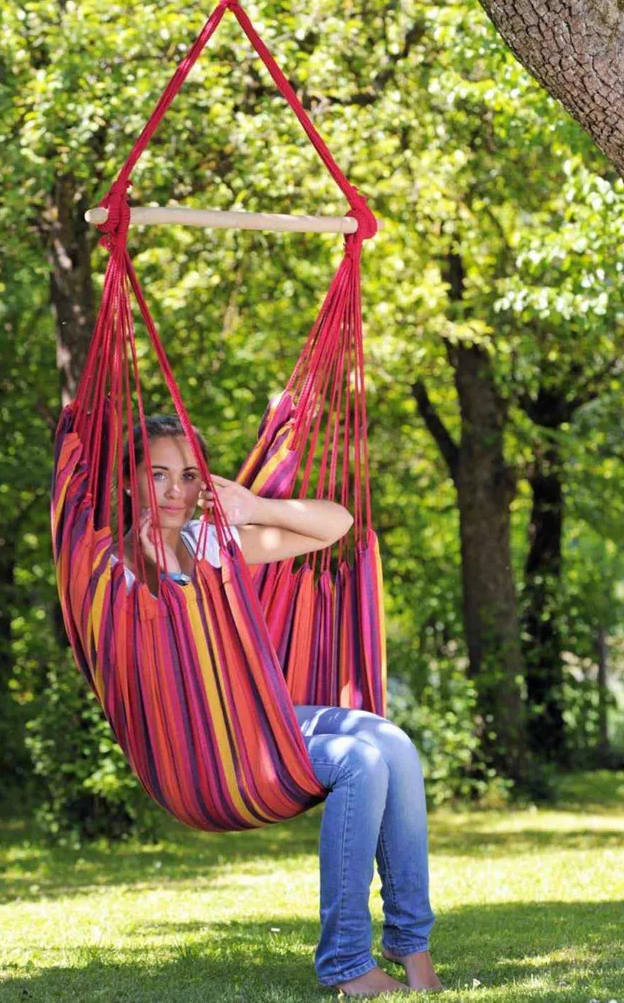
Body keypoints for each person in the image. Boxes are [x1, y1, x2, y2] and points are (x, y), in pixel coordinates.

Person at [120, 415, 444, 996]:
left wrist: (251, 507)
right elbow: (176, 660)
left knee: (390, 742)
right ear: (129, 482)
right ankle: (348, 964)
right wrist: (168, 573)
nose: (175, 491)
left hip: (259, 717)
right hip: (206, 745)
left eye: (190, 476)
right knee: (357, 762)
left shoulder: (213, 542)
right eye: (159, 475)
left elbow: (335, 525)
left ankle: (409, 942)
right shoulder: (114, 570)